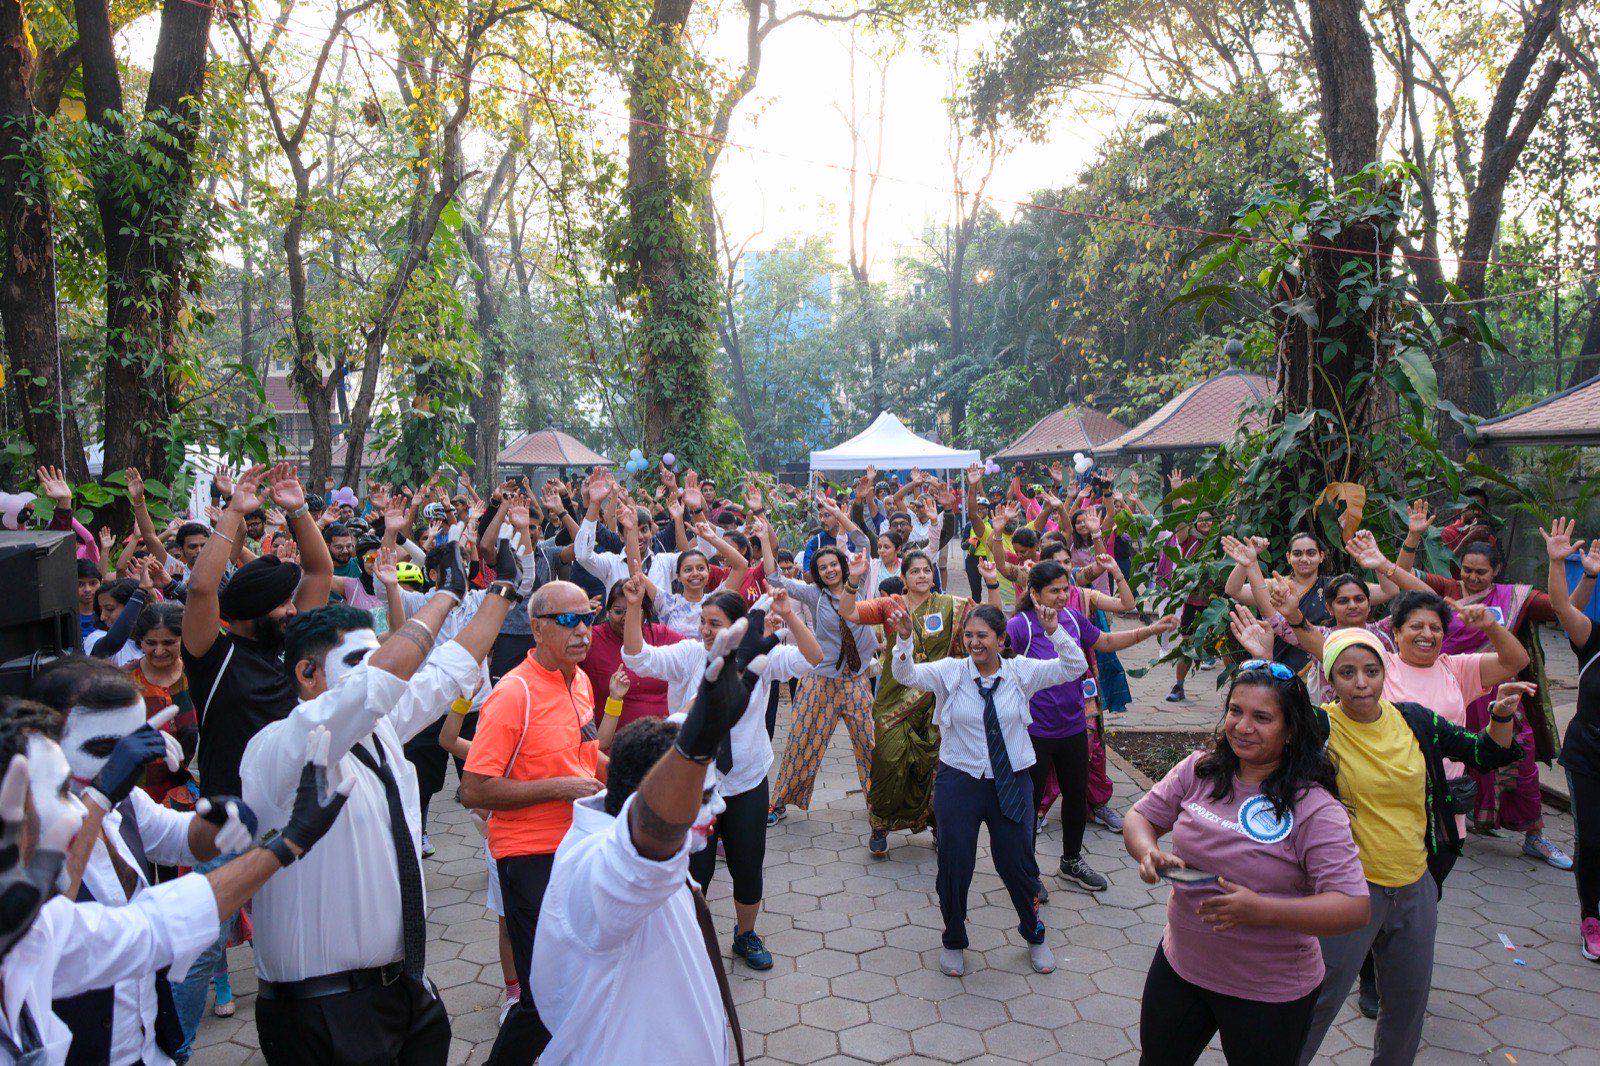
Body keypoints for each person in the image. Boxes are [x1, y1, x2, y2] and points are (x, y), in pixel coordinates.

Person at [240, 571, 518, 1066]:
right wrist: (442, 598)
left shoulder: (383, 727)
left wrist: (500, 591)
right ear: (307, 675)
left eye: (377, 656)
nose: (381, 672)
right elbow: (380, 683)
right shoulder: (281, 747)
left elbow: (451, 667)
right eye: (358, 662)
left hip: (405, 990)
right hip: (322, 1009)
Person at [0, 698, 352, 1065]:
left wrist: (264, 835)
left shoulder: (47, 925)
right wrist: (101, 796)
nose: (80, 812)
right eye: (60, 792)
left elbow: (156, 923)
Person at [532, 612, 780, 1064]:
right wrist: (694, 747)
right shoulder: (603, 872)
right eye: (701, 795)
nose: (718, 807)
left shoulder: (619, 816)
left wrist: (709, 711)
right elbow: (648, 841)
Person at [1279, 628, 1526, 1066]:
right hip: (1348, 891)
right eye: (1347, 673)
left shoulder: (1414, 719)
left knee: (1407, 1011)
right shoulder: (1319, 727)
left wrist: (1500, 717)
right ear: (1330, 680)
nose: (1361, 682)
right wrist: (1265, 658)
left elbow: (1483, 753)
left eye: (1372, 671)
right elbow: (1272, 728)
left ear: (1384, 673)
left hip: (1415, 886)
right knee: (1315, 1004)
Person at [1124, 662, 1369, 1066]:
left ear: (1291, 731)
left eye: (1262, 717)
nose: (1242, 726)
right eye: (1236, 711)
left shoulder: (1315, 808)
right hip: (1182, 966)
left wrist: (1261, 910)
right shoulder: (1201, 769)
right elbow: (1140, 816)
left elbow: (1354, 906)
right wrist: (1148, 850)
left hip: (1269, 990)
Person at [624, 581, 821, 969]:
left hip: (747, 779)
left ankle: (745, 935)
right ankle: (691, 940)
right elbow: (637, 656)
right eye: (703, 622)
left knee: (748, 864)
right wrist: (633, 608)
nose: (706, 631)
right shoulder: (689, 654)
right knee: (695, 870)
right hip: (694, 787)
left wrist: (790, 612)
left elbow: (814, 657)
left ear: (738, 627)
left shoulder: (761, 656)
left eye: (715, 623)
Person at [888, 604, 1089, 978]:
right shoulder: (951, 672)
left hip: (1010, 779)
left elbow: (1074, 667)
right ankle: (954, 937)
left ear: (1000, 639)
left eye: (982, 636)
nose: (974, 642)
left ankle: (1035, 933)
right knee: (955, 861)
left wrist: (1055, 630)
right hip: (959, 780)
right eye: (969, 635)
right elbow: (905, 674)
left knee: (1017, 862)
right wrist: (904, 637)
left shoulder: (1021, 672)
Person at [459, 581, 604, 1064]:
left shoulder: (579, 680)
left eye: (587, 618)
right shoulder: (513, 692)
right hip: (528, 857)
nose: (583, 631)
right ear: (537, 628)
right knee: (543, 995)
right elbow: (473, 789)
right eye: (568, 621)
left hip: (577, 848)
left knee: (579, 982)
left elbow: (584, 760)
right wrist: (560, 788)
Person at [1010, 562, 1176, 893]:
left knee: (1075, 796)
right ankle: (1025, 873)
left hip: (1073, 727)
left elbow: (1108, 641)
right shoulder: (1020, 627)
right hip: (1032, 733)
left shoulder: (1071, 619)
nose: (1061, 595)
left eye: (1064, 589)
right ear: (1034, 593)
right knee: (1028, 803)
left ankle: (1071, 862)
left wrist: (1152, 630)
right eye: (1053, 590)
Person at [181, 463, 334, 801]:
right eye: (281, 604)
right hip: (231, 822)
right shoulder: (213, 656)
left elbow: (320, 571)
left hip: (295, 818)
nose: (293, 611)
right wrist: (233, 511)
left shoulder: (291, 644)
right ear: (251, 612)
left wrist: (298, 509)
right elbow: (201, 589)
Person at [847, 551, 996, 858]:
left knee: (931, 765)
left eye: (926, 570)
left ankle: (936, 823)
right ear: (904, 578)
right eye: (914, 571)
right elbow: (849, 612)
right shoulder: (891, 605)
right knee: (887, 758)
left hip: (936, 698)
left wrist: (992, 581)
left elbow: (993, 616)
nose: (922, 576)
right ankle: (881, 824)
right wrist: (853, 580)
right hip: (894, 696)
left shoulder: (950, 605)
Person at [766, 547, 877, 830]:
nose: (830, 570)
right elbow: (775, 578)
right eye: (823, 567)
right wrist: (764, 533)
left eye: (833, 565)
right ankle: (779, 802)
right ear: (817, 573)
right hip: (821, 681)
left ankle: (880, 804)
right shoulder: (814, 595)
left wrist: (838, 513)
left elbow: (861, 538)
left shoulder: (859, 584)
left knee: (871, 744)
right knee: (802, 741)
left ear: (842, 565)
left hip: (856, 680)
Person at [1538, 520, 1600, 961]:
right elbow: (1560, 607)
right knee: (1593, 839)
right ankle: (1590, 917)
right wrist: (1561, 563)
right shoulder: (1592, 638)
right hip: (1589, 755)